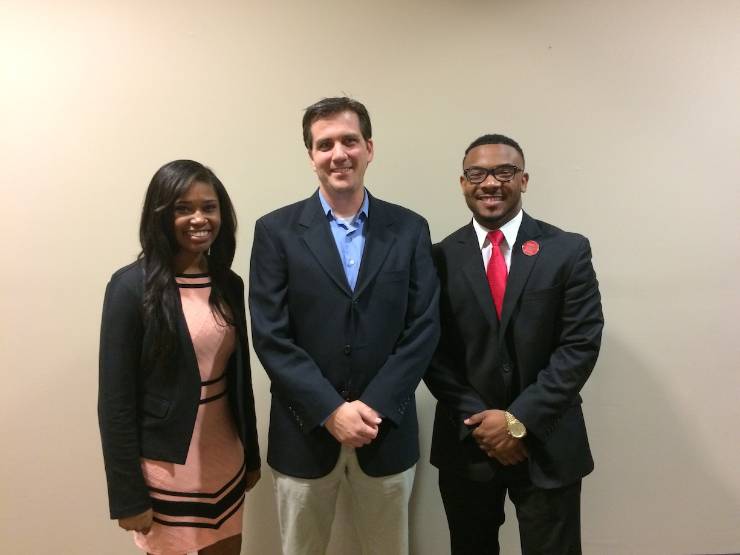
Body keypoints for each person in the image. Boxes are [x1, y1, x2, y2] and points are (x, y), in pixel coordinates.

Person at [248, 97, 440, 555]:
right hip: (303, 432)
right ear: (311, 155)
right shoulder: (275, 231)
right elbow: (271, 336)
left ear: (369, 148)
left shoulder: (410, 229)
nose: (339, 154)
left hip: (385, 430)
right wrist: (331, 410)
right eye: (325, 144)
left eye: (350, 141)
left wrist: (373, 405)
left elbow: (424, 328)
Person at [424, 134, 604, 555]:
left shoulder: (567, 251)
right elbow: (429, 350)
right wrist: (481, 423)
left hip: (548, 442)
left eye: (504, 172)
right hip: (468, 444)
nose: (490, 183)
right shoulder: (437, 258)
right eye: (477, 174)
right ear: (463, 183)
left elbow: (580, 344)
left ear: (523, 180)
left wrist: (518, 421)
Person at [98, 160, 261, 555]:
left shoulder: (229, 283)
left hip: (225, 461)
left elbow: (240, 378)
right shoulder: (130, 288)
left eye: (209, 207)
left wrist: (252, 455)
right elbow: (115, 402)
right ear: (160, 215)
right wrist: (127, 496)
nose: (199, 218)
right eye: (183, 208)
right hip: (166, 469)